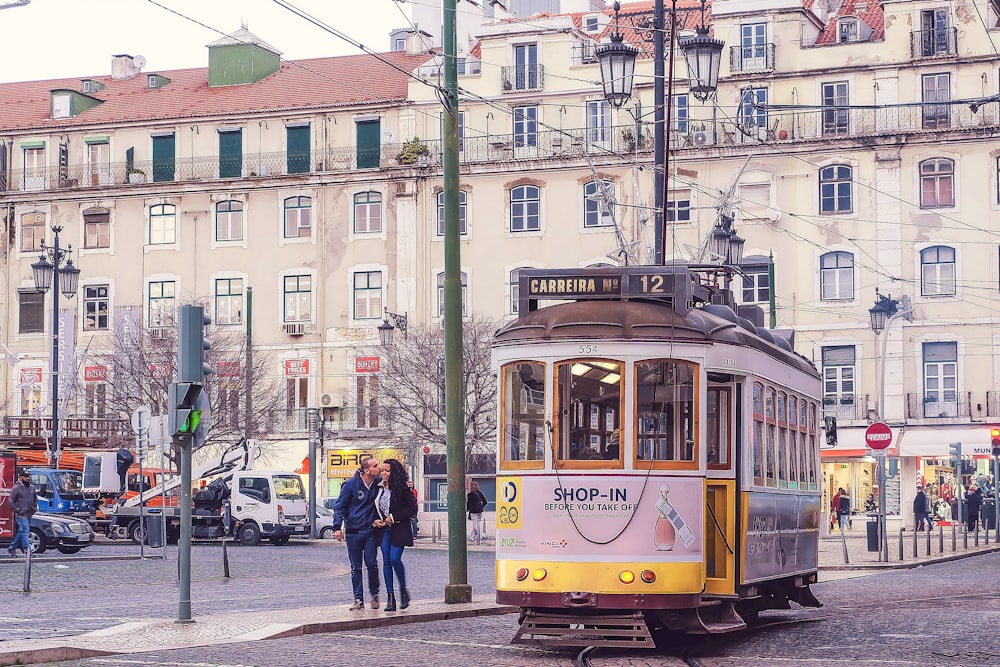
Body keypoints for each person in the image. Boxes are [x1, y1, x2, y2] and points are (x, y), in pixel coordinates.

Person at [331, 456, 382, 611]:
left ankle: (374, 593)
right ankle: (358, 599)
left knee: (372, 563)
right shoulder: (350, 485)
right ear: (366, 470)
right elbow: (340, 506)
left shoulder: (378, 484)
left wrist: (408, 484)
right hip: (353, 531)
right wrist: (337, 527)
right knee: (356, 567)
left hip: (370, 530)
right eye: (375, 465)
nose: (378, 467)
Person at [374, 459, 417, 612]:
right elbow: (374, 507)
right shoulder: (378, 487)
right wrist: (375, 520)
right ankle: (390, 598)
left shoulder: (402, 487)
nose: (384, 473)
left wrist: (393, 517)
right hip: (383, 529)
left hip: (399, 528)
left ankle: (403, 590)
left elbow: (412, 508)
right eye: (382, 470)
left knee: (394, 559)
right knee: (386, 562)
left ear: (394, 472)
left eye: (387, 471)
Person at [8, 470, 38, 557]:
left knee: (22, 531)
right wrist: (18, 510)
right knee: (25, 531)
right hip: (21, 514)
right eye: (25, 477)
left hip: (29, 513)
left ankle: (12, 547)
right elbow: (11, 501)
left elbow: (35, 499)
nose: (27, 478)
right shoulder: (16, 488)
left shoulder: (31, 488)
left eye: (28, 476)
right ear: (21, 477)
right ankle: (27, 550)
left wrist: (34, 508)